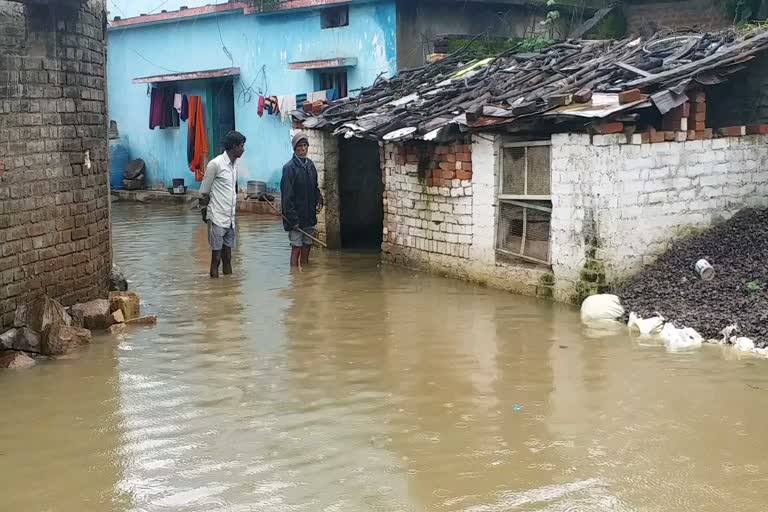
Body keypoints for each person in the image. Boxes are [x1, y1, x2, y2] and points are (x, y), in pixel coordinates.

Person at [199, 130, 246, 278]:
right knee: (216, 258)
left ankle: (228, 291)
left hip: (230, 219)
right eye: (241, 146)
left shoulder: (234, 166)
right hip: (217, 218)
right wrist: (205, 214)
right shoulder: (215, 164)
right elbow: (203, 193)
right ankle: (214, 287)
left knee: (228, 257)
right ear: (233, 147)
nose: (243, 149)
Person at [281, 132, 324, 267]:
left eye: (305, 145)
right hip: (296, 218)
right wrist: (293, 220)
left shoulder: (310, 166)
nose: (303, 149)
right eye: (300, 146)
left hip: (309, 215)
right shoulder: (289, 169)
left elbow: (315, 187)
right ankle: (295, 278)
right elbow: (287, 198)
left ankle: (304, 274)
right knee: (296, 247)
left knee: (307, 245)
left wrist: (319, 199)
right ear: (295, 148)